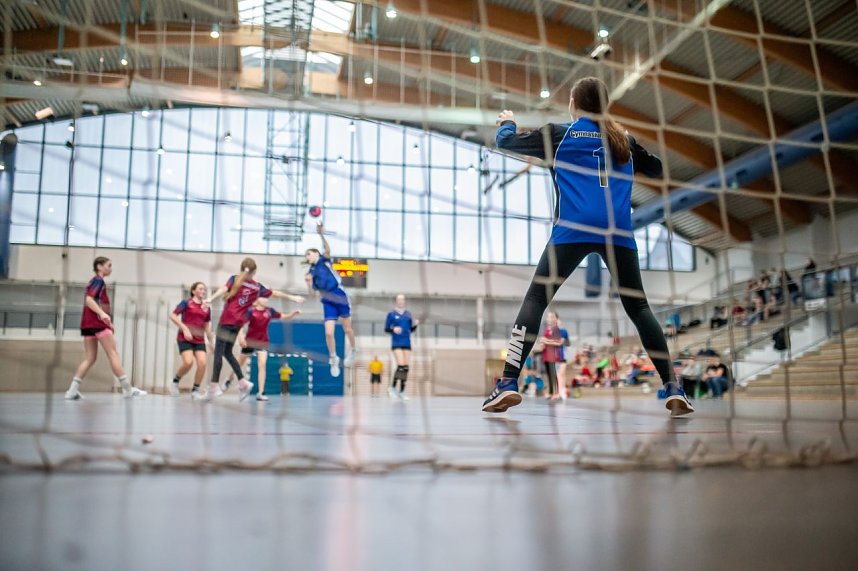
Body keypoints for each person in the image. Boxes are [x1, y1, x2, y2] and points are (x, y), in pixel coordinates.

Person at [482, 77, 694, 416]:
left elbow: (505, 140)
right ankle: (674, 387)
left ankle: (507, 382)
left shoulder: (560, 133)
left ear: (572, 103)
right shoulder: (623, 140)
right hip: (618, 234)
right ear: (605, 105)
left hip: (572, 229)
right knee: (639, 309)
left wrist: (507, 121)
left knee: (536, 299)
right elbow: (655, 168)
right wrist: (631, 150)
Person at [205, 257, 304, 401]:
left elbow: (223, 289)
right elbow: (275, 293)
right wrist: (293, 297)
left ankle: (214, 386)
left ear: (241, 268)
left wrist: (211, 298)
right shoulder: (257, 287)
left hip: (227, 320)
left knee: (219, 353)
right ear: (255, 271)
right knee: (227, 352)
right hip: (238, 324)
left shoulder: (234, 279)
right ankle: (242, 382)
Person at [65, 256, 146, 399]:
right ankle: (127, 389)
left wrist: (106, 318)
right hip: (97, 323)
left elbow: (92, 301)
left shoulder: (93, 281)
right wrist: (102, 314)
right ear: (100, 266)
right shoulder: (98, 280)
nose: (110, 268)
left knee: (90, 358)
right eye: (109, 265)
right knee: (113, 353)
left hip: (87, 323)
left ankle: (72, 390)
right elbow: (89, 300)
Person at [304, 223, 358, 378]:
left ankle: (354, 350)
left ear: (315, 254)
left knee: (347, 329)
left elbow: (327, 250)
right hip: (327, 300)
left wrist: (321, 234)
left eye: (309, 254)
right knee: (328, 333)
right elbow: (313, 296)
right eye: (306, 256)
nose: (307, 257)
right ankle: (333, 357)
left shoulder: (324, 261)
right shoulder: (310, 273)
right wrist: (308, 285)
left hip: (339, 296)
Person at [232, 297, 300, 402]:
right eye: (263, 298)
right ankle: (229, 380)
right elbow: (241, 324)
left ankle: (261, 392)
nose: (266, 300)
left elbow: (284, 317)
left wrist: (293, 313)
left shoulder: (269, 311)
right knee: (238, 364)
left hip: (263, 342)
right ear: (258, 299)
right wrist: (240, 337)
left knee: (262, 365)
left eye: (267, 298)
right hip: (249, 342)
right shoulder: (251, 311)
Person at [169, 281, 214, 399]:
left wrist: (211, 342)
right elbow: (172, 315)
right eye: (200, 289)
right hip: (185, 338)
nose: (203, 291)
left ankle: (195, 390)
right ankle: (175, 381)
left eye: (204, 289)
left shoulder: (206, 308)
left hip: (199, 340)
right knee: (188, 362)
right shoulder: (186, 303)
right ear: (193, 291)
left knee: (202, 363)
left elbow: (206, 327)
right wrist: (184, 328)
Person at [385, 294, 420, 400]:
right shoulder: (391, 314)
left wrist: (416, 325)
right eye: (399, 299)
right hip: (396, 342)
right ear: (396, 301)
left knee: (406, 367)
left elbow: (411, 330)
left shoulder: (408, 314)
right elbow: (386, 329)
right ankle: (392, 387)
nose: (401, 301)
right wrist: (393, 329)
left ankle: (402, 391)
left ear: (404, 301)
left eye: (402, 300)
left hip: (407, 342)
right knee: (400, 365)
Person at [539, 310, 565, 401]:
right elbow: (543, 343)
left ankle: (557, 393)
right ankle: (551, 392)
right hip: (546, 355)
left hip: (553, 356)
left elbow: (558, 342)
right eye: (549, 317)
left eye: (552, 317)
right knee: (549, 375)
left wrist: (545, 340)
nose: (550, 319)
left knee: (554, 375)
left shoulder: (556, 329)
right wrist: (542, 342)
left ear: (556, 319)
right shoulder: (547, 329)